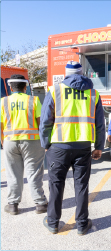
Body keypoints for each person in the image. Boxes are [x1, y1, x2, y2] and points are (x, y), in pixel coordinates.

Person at [39, 61, 105, 235]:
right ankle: (82, 224)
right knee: (81, 185)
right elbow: (100, 124)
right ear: (82, 73)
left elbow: (45, 121)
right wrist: (98, 146)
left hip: (59, 146)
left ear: (66, 74)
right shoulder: (94, 93)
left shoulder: (55, 91)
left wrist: (46, 144)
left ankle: (53, 222)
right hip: (83, 146)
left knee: (56, 184)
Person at [1, 74, 47, 215]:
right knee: (34, 172)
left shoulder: (3, 102)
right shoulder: (33, 101)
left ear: (10, 87)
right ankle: (40, 204)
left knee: (13, 173)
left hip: (10, 142)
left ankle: (13, 204)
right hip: (32, 141)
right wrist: (44, 142)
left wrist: (3, 141)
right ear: (25, 87)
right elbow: (41, 124)